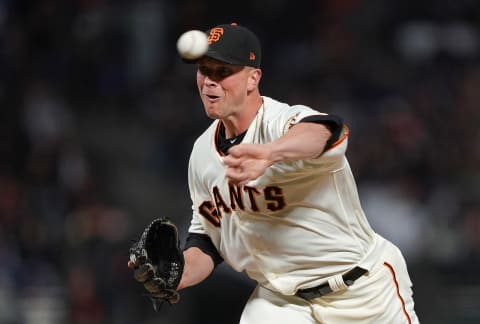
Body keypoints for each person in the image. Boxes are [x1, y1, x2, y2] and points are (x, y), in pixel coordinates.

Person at [142, 23, 419, 323]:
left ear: (253, 78)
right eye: (204, 70)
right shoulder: (201, 153)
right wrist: (179, 273)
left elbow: (327, 131)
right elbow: (208, 240)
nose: (209, 81)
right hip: (283, 303)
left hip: (361, 289)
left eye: (222, 71)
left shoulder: (280, 122)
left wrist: (271, 152)